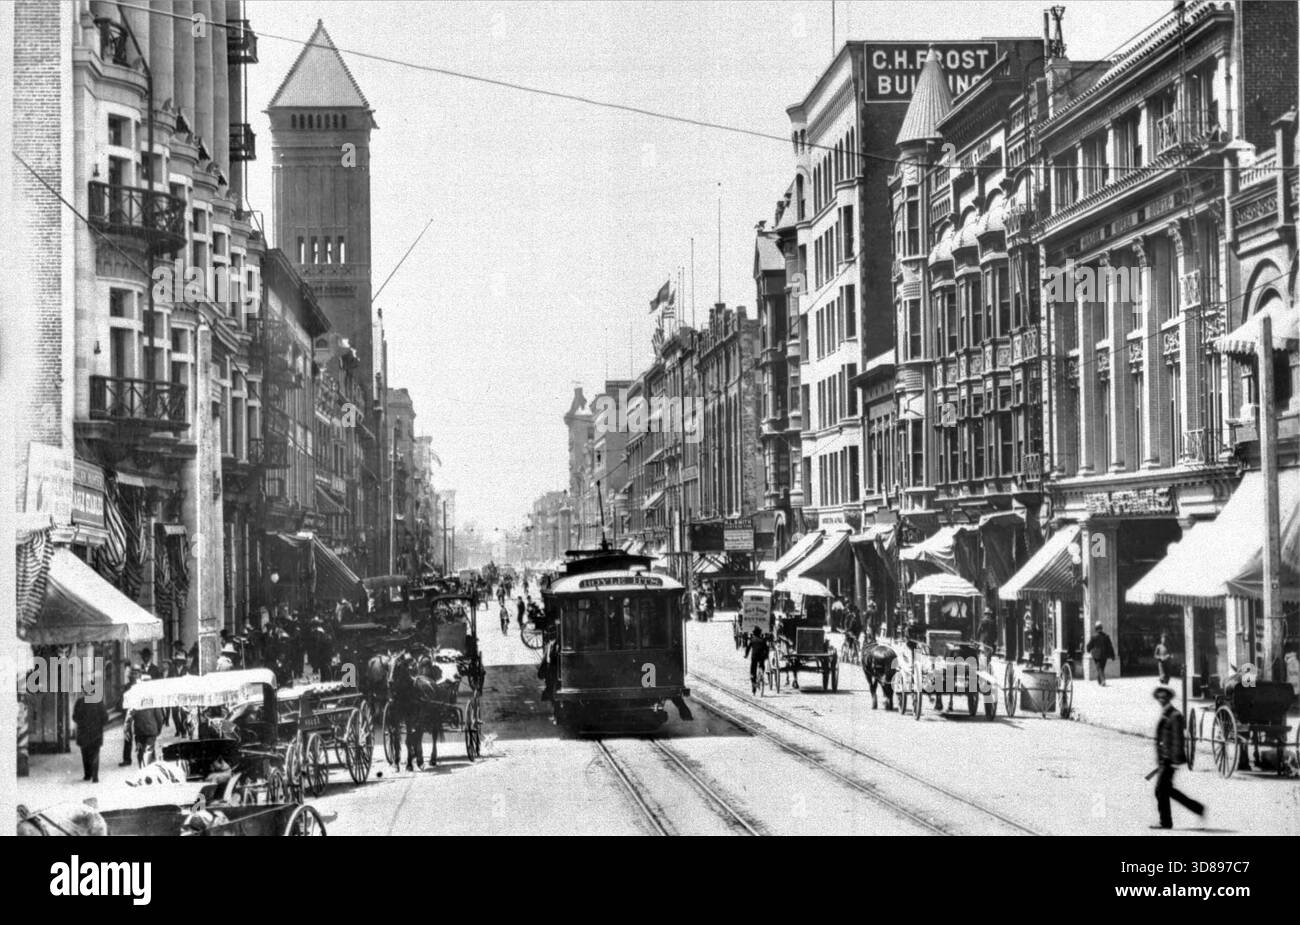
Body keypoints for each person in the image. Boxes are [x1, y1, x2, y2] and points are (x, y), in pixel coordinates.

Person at [1152, 684, 1204, 829]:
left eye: (1164, 697)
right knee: (1166, 790)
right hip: (1164, 759)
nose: (1161, 699)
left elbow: (1177, 739)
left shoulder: (1175, 715)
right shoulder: (1165, 713)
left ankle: (1166, 822)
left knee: (1160, 789)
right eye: (1159, 697)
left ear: (1168, 698)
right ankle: (1197, 808)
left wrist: (1175, 760)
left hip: (1170, 759)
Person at [72, 692, 108, 783]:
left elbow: (74, 717)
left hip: (83, 732)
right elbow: (105, 717)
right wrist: (99, 725)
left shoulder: (80, 702)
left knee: (85, 754)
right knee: (95, 753)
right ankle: (95, 776)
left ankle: (87, 775)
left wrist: (81, 723)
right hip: (96, 732)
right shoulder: (99, 702)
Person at [131, 683, 164, 767]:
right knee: (149, 750)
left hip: (139, 732)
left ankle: (143, 768)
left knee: (141, 752)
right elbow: (159, 718)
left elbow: (131, 715)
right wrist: (159, 729)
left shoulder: (135, 701)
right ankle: (149, 770)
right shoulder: (153, 701)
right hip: (151, 731)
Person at [1086, 622, 1115, 686]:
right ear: (1102, 628)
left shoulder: (1094, 637)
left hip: (1096, 656)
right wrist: (1112, 655)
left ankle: (1102, 680)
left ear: (1096, 628)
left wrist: (1088, 650)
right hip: (1104, 655)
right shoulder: (1106, 636)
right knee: (1101, 668)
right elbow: (1110, 646)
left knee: (1099, 668)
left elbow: (1089, 645)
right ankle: (1100, 680)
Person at [748, 626, 770, 694]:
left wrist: (746, 655)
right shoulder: (763, 640)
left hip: (754, 657)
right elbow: (767, 649)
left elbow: (748, 648)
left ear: (754, 633)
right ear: (760, 633)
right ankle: (761, 674)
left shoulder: (752, 639)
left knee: (753, 671)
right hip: (761, 657)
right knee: (762, 665)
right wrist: (766, 655)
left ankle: (754, 685)